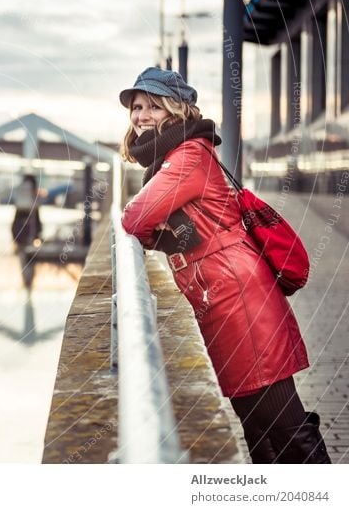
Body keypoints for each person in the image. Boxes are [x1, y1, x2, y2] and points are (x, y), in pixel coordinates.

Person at [119, 67, 331, 464]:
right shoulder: (176, 155)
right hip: (224, 296)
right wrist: (164, 232)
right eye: (136, 107)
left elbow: (134, 217)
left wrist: (159, 231)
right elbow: (150, 221)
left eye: (152, 106)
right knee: (258, 425)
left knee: (283, 423)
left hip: (239, 298)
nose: (141, 116)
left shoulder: (186, 157)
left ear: (176, 109)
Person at [11, 174, 42, 248]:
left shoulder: (20, 188)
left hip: (22, 210)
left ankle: (20, 244)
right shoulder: (31, 188)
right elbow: (37, 226)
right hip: (30, 211)